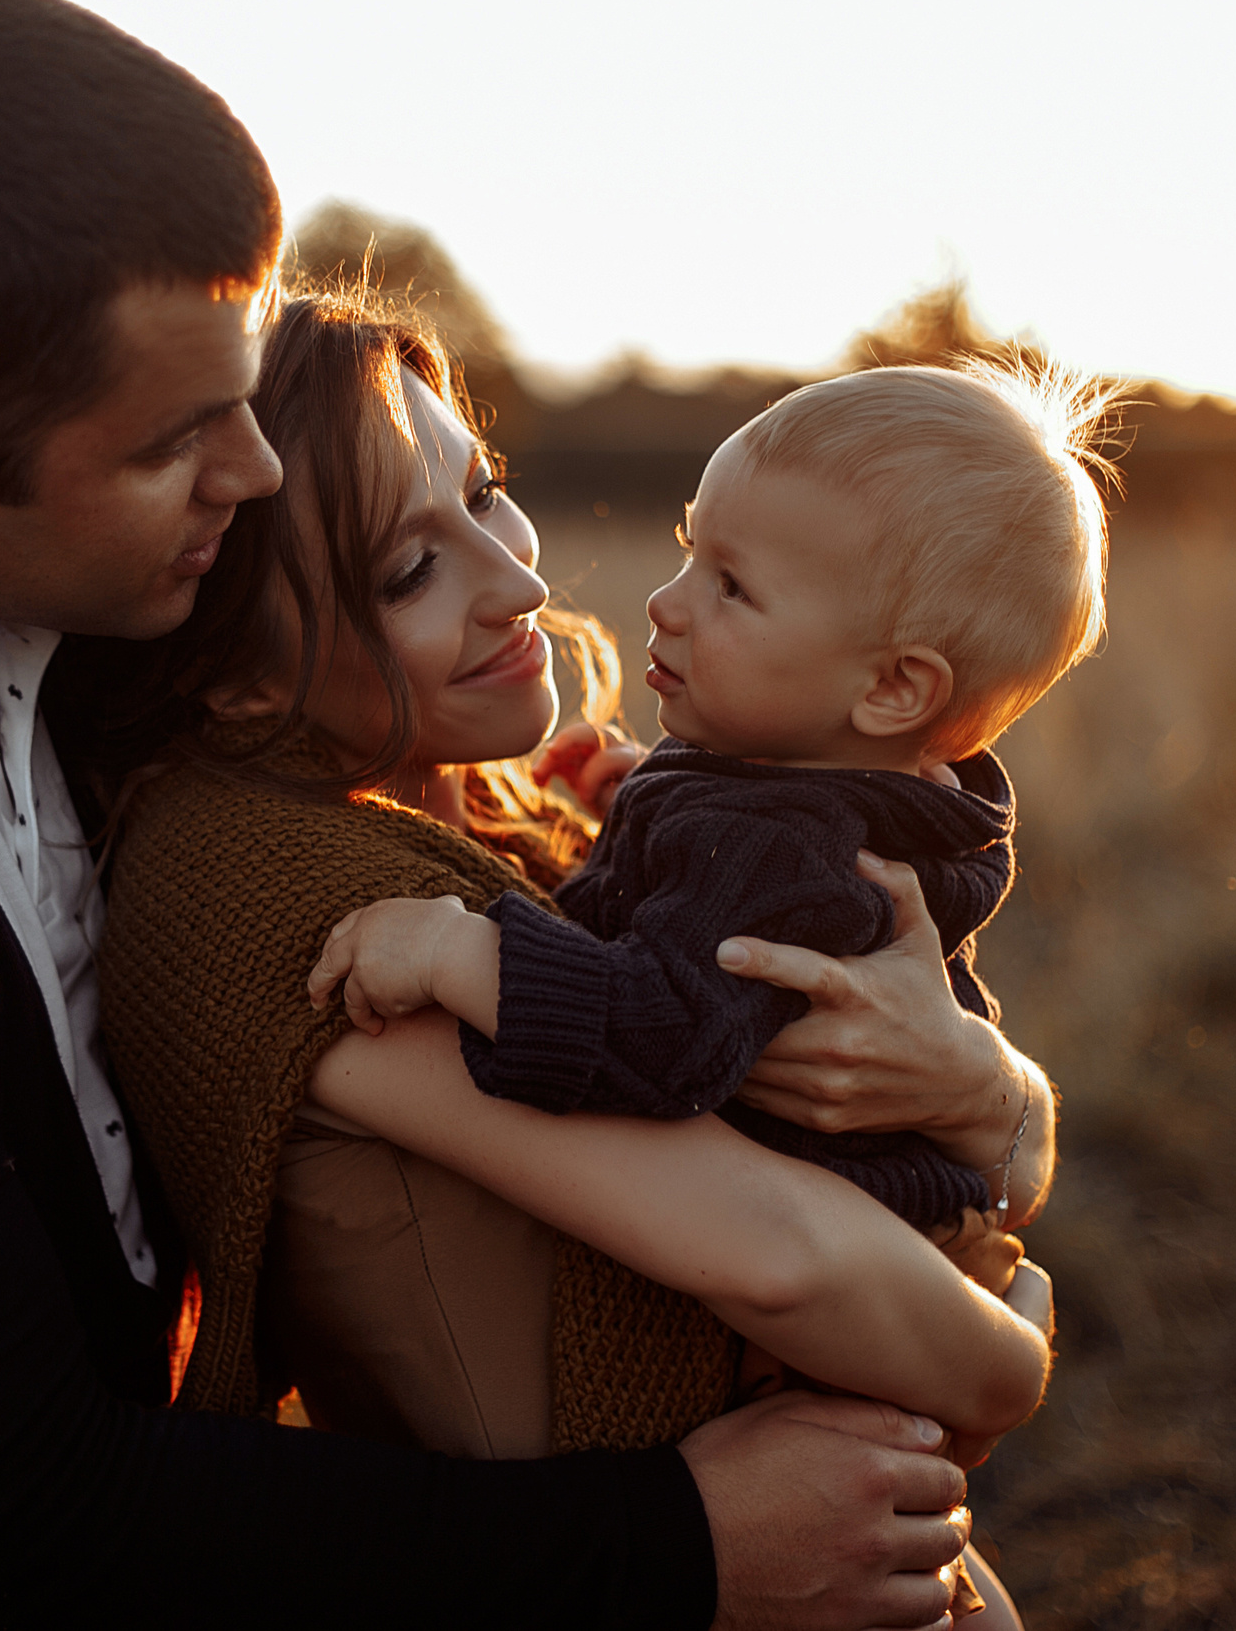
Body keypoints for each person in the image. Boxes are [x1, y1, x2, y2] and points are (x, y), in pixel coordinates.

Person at [0, 0, 992, 1630]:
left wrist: (988, 1086)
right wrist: (676, 1541)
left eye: (243, 392)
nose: (249, 479)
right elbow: (38, 1505)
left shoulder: (7, 569)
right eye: (179, 442)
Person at [77, 295, 1061, 1625]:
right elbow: (787, 1254)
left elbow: (946, 1125)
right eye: (411, 568)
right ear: (243, 676)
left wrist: (988, 1086)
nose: (521, 579)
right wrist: (1013, 1359)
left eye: (484, 493)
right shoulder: (285, 894)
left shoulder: (516, 807)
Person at [308, 362, 1116, 1298]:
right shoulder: (802, 796)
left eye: (731, 586)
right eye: (691, 549)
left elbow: (657, 1035)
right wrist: (648, 807)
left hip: (822, 1305)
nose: (667, 601)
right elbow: (720, 906)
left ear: (895, 688)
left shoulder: (787, 849)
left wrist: (453, 950)